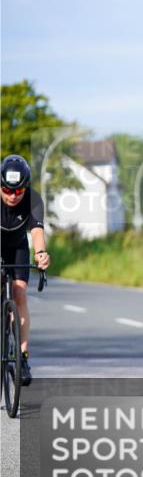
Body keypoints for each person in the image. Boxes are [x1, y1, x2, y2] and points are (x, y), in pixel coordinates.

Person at [1, 154, 50, 386]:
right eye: (7, 190)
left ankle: (22, 356)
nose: (12, 195)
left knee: (20, 294)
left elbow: (37, 232)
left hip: (18, 247)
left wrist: (41, 254)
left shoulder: (34, 200)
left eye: (18, 191)